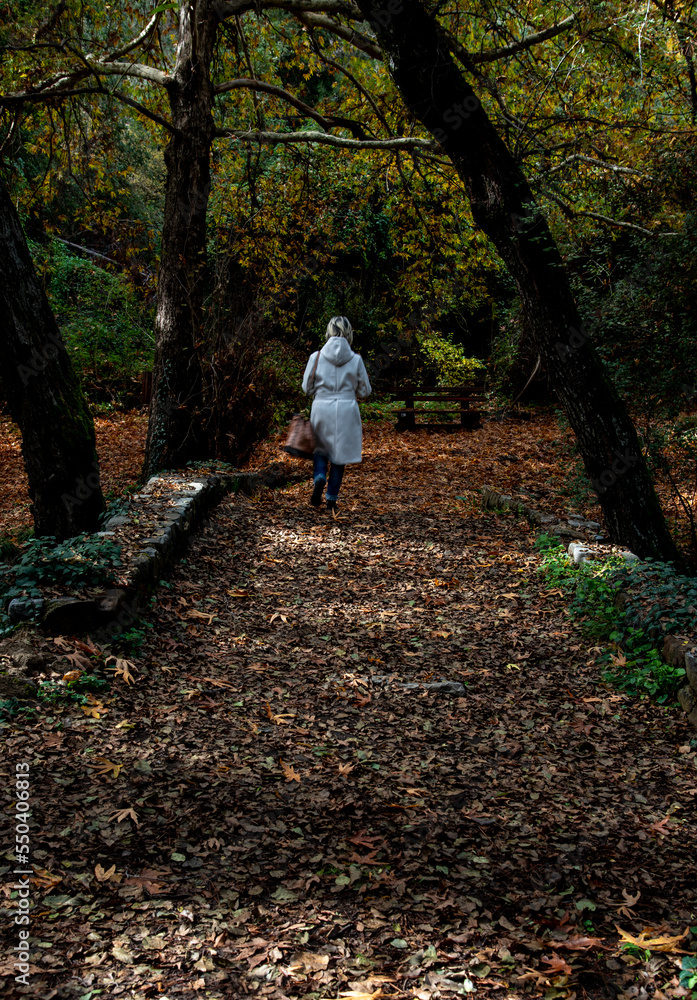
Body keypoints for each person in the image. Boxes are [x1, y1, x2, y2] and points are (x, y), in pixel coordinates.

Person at [302, 316, 372, 512]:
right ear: (349, 333)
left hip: (322, 407)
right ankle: (331, 499)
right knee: (340, 456)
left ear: (328, 332)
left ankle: (319, 476)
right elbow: (365, 391)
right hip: (347, 409)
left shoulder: (315, 357)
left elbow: (306, 388)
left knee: (321, 448)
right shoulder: (356, 359)